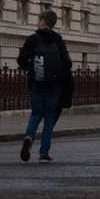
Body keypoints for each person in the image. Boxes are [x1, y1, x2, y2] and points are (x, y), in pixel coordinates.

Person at [17, 10, 72, 163]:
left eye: (38, 20)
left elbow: (21, 60)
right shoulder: (58, 40)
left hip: (37, 82)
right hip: (54, 84)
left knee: (36, 113)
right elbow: (67, 64)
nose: (37, 22)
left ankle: (29, 137)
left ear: (42, 22)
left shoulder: (33, 39)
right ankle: (44, 153)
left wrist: (32, 67)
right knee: (49, 117)